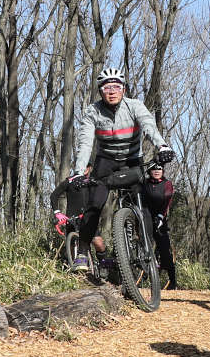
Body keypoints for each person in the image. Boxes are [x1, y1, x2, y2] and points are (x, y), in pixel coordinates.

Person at [70, 67, 174, 272]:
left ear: (123, 90)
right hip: (106, 161)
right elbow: (85, 144)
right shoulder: (93, 112)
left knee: (142, 207)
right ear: (100, 91)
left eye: (116, 86)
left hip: (132, 160)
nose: (111, 91)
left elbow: (148, 125)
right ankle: (82, 253)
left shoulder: (134, 106)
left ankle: (147, 250)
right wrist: (78, 171)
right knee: (94, 205)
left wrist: (162, 146)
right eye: (106, 87)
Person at [140, 162, 177, 289]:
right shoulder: (144, 183)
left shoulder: (167, 184)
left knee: (164, 249)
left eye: (159, 168)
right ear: (149, 171)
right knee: (145, 245)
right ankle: (141, 276)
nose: (156, 171)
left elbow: (168, 201)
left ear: (163, 171)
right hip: (145, 215)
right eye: (154, 169)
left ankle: (173, 280)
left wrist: (161, 216)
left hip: (160, 216)